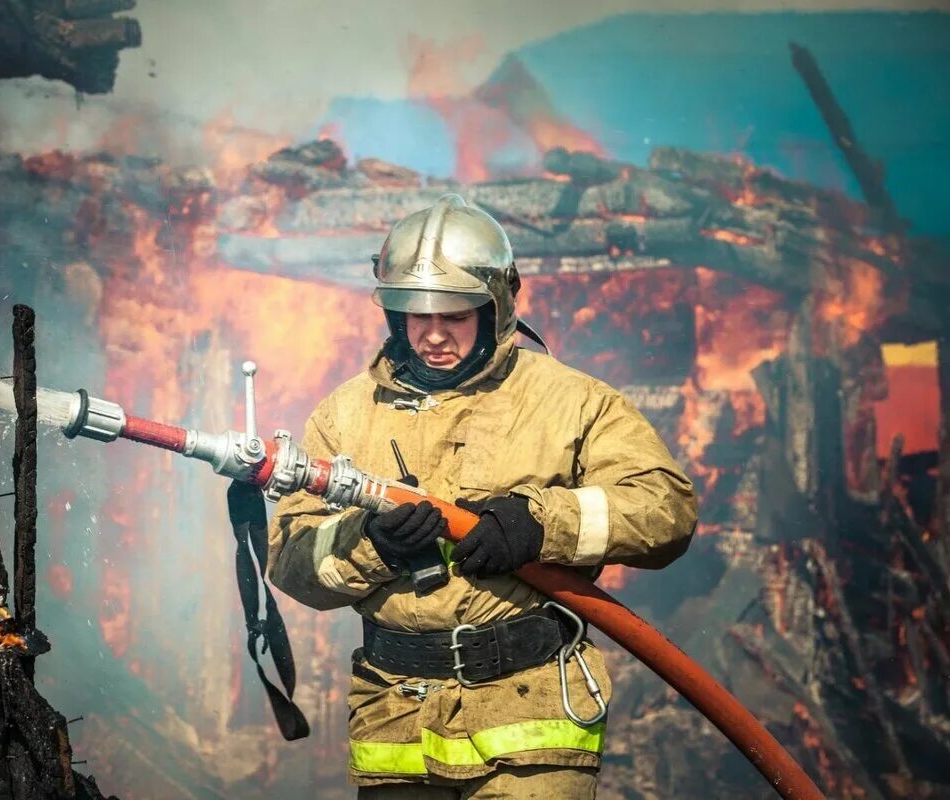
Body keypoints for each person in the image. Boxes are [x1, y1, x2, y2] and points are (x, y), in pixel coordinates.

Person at [267, 194, 697, 799]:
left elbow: (666, 509)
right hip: (396, 723)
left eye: (456, 316)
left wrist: (539, 524)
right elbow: (290, 563)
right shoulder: (345, 414)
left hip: (532, 716)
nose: (435, 335)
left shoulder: (570, 401)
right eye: (418, 316)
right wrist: (371, 546)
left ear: (495, 310)